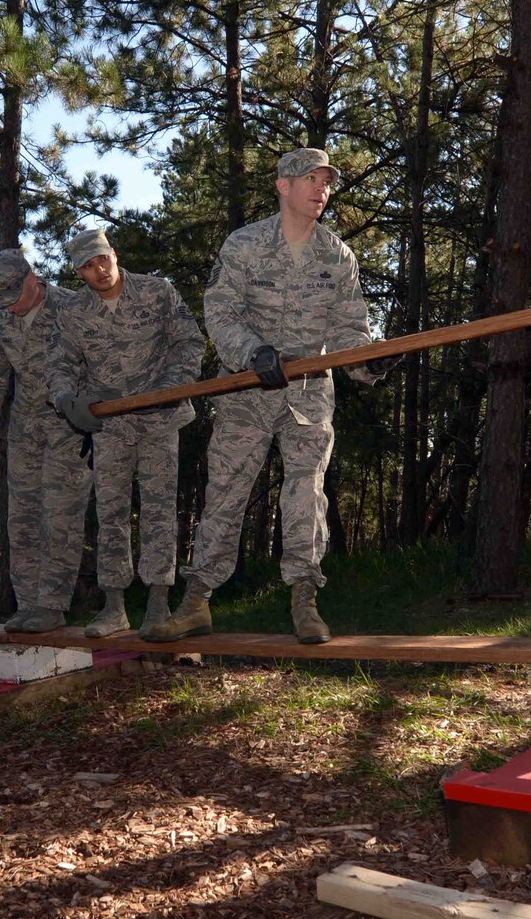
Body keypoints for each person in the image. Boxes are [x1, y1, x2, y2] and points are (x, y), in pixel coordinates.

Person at [147, 148, 396, 645]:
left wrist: (368, 364)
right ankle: (196, 601)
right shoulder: (245, 245)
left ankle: (305, 600)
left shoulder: (337, 255)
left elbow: (350, 331)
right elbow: (219, 311)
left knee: (306, 496)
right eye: (310, 179)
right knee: (225, 494)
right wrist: (251, 352)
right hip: (246, 393)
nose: (321, 189)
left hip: (308, 397)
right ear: (283, 186)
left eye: (326, 181)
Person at [47, 226, 205, 638]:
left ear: (114, 253)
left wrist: (171, 387)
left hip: (159, 419)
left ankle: (157, 604)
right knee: (111, 512)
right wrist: (68, 402)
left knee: (158, 510)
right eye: (87, 265)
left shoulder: (158, 292)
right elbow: (60, 366)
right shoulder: (73, 313)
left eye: (102, 258)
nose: (100, 269)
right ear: (77, 274)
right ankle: (114, 606)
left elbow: (189, 342)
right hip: (110, 425)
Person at [0, 248, 92, 633]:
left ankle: (52, 605)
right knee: (21, 516)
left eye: (14, 299)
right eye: (1, 302)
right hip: (25, 426)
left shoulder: (72, 307)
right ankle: (27, 604)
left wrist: (93, 420)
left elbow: (101, 366)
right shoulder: (0, 319)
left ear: (31, 280)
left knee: (60, 514)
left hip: (69, 424)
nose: (10, 309)